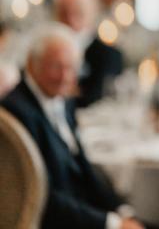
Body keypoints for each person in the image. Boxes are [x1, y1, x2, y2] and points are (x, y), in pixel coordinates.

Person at [0, 23, 144, 229]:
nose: (65, 77)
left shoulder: (62, 101)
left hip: (82, 213)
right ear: (32, 65)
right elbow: (40, 194)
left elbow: (84, 169)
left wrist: (122, 211)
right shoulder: (16, 112)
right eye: (56, 67)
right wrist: (111, 224)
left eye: (71, 68)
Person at [55, 0, 124, 107]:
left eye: (78, 13)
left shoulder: (108, 55)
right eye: (64, 13)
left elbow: (100, 96)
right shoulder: (46, 55)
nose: (71, 20)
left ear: (91, 14)